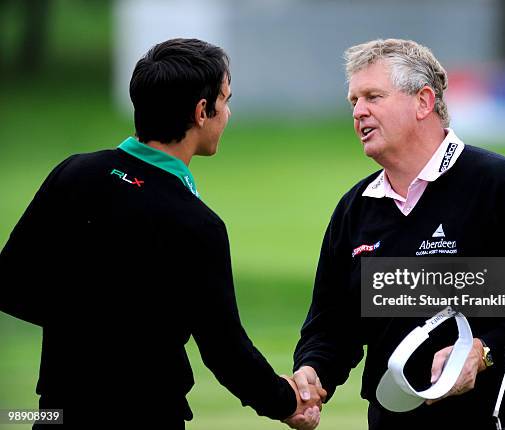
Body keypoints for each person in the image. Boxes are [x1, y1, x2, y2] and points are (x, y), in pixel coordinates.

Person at [0, 38, 324, 429]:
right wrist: (288, 401)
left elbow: (10, 285)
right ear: (202, 111)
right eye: (226, 101)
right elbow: (225, 351)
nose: (229, 113)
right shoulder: (197, 224)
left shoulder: (74, 173)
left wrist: (85, 322)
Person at [292, 39, 505, 429]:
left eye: (373, 97)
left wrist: (482, 352)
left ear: (423, 102)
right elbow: (331, 323)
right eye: (354, 101)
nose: (359, 112)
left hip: (496, 418)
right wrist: (315, 371)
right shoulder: (356, 208)